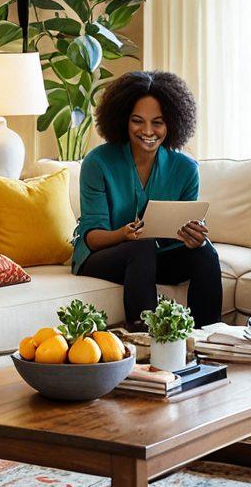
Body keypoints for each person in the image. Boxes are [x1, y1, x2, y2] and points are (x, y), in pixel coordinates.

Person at [72, 70, 221, 329]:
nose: (148, 131)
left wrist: (193, 237)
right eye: (137, 121)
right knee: (142, 246)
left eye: (158, 122)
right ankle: (145, 338)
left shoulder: (186, 169)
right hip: (103, 256)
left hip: (155, 256)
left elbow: (180, 234)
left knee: (205, 252)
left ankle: (208, 340)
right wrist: (124, 234)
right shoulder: (98, 162)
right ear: (123, 120)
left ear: (172, 123)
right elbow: (92, 238)